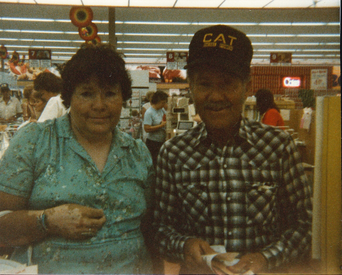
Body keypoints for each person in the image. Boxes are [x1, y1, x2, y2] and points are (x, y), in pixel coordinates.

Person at [152, 25, 312, 274]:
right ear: (191, 88)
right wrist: (185, 245)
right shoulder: (173, 154)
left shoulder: (278, 147)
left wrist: (265, 258)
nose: (216, 96)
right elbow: (160, 227)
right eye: (204, 84)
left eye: (227, 84)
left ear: (246, 86)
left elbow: (304, 224)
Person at [0, 44, 154, 274]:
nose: (100, 105)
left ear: (123, 98)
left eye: (110, 93)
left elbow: (148, 227)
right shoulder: (35, 142)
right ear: (69, 97)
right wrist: (47, 221)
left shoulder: (137, 152)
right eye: (87, 93)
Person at [143, 90, 168, 167]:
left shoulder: (162, 110)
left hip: (161, 141)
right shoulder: (149, 112)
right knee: (154, 164)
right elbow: (147, 128)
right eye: (162, 103)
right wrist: (160, 126)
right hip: (153, 143)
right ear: (157, 102)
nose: (164, 104)